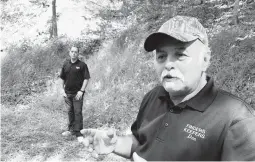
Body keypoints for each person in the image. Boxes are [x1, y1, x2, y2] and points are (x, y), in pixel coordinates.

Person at [80, 16, 255, 160]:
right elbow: (140, 143)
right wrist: (115, 143)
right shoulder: (154, 96)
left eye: (180, 55)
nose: (168, 64)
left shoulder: (236, 120)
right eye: (161, 56)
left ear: (205, 60)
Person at [60, 45, 90, 142]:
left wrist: (81, 91)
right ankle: (71, 130)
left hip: (77, 94)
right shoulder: (65, 64)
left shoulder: (82, 65)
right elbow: (62, 78)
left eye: (75, 52)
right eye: (72, 51)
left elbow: (86, 78)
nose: (73, 53)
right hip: (67, 93)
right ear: (70, 53)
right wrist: (62, 90)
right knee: (70, 112)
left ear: (78, 53)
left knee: (77, 112)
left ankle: (79, 132)